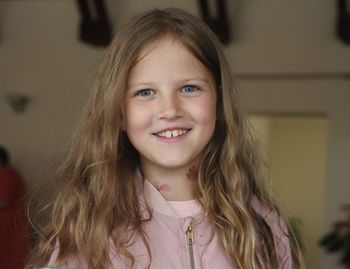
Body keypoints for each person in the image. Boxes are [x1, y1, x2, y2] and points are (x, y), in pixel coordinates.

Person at [27, 8, 303, 269]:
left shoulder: (263, 225)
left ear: (219, 103)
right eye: (145, 92)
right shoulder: (87, 232)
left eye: (189, 88)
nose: (170, 110)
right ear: (119, 114)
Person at [0, 146, 30, 269]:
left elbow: (3, 202)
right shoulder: (13, 174)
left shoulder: (6, 175)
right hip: (13, 227)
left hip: (7, 228)